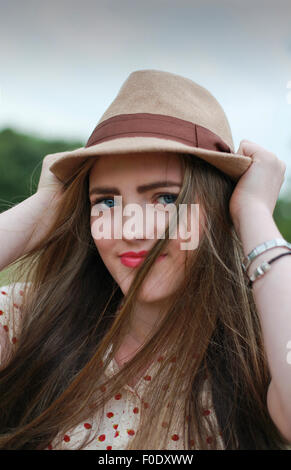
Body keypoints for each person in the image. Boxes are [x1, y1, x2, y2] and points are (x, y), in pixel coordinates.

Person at [0, 69, 290, 450]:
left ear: (221, 209)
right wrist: (43, 212)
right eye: (106, 201)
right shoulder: (28, 318)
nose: (130, 230)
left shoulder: (263, 345)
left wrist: (253, 213)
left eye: (166, 199)